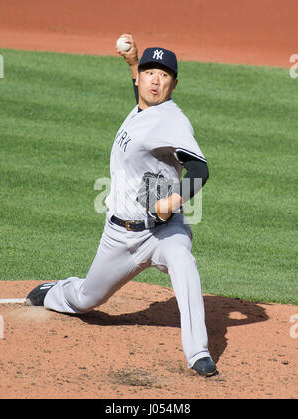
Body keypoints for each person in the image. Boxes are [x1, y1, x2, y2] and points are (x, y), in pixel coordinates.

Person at [26, 34, 217, 377]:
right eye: (149, 72)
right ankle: (57, 290)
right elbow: (143, 101)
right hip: (119, 236)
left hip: (162, 231)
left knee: (183, 262)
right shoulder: (144, 108)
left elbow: (200, 169)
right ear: (141, 77)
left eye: (164, 75)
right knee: (86, 299)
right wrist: (132, 62)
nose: (156, 80)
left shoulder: (172, 120)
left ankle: (198, 353)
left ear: (174, 84)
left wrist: (171, 202)